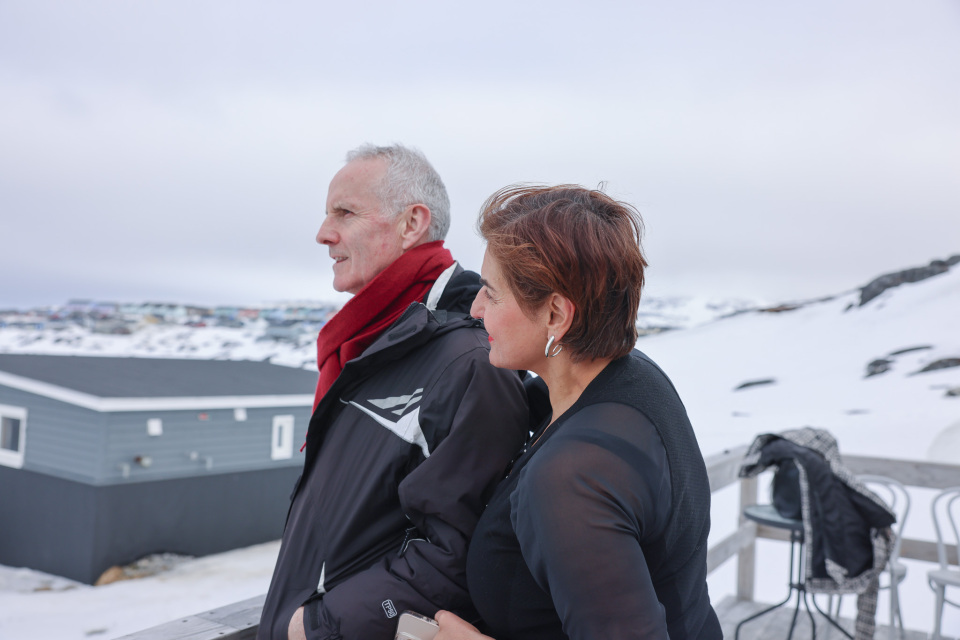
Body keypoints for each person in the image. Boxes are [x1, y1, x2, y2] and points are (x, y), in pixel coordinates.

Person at [257, 145, 528, 640]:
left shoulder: (469, 363)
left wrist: (319, 625)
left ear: (412, 224)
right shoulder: (370, 344)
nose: (323, 234)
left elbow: (463, 553)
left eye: (344, 212)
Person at [435, 185, 722, 639]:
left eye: (491, 293)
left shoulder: (571, 477)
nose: (475, 308)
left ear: (555, 315)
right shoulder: (635, 378)